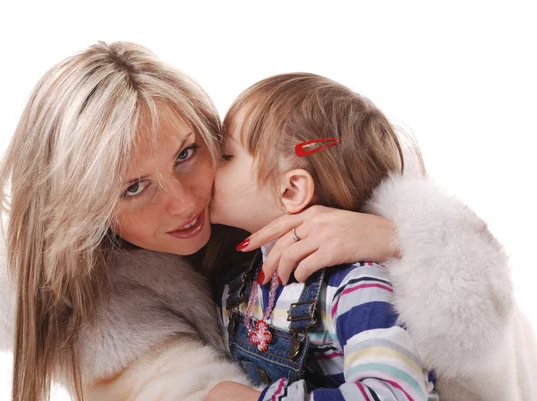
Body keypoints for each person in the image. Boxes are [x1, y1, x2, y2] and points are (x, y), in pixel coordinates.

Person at [0, 42, 528, 401]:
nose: (184, 202)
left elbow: (475, 350)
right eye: (134, 188)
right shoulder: (103, 324)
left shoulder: (290, 174)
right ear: (86, 212)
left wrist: (400, 238)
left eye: (188, 152)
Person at [206, 73, 536, 401]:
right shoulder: (240, 286)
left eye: (226, 156)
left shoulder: (356, 287)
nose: (209, 164)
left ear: (291, 190)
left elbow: (395, 394)